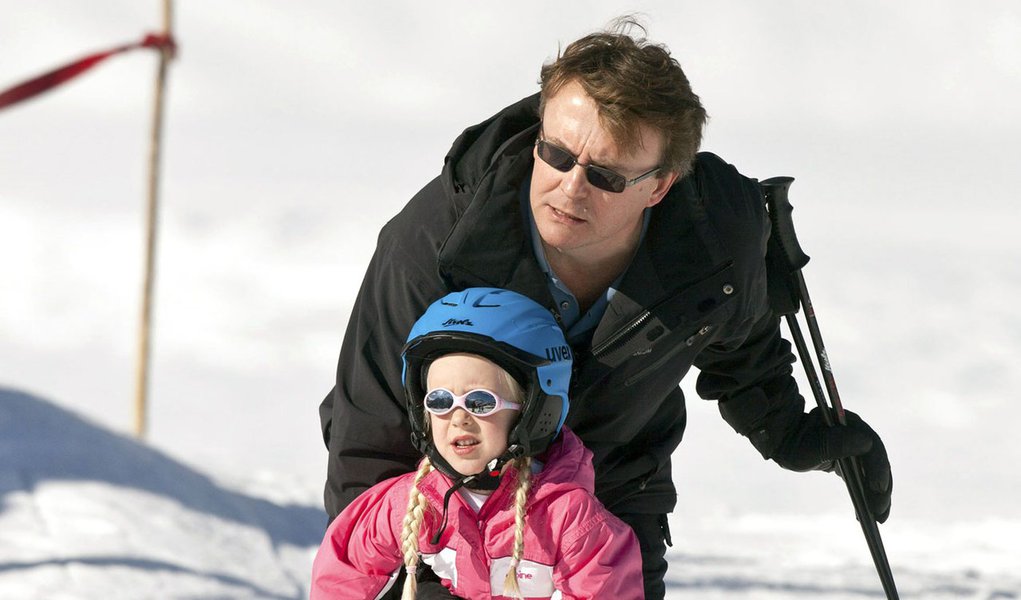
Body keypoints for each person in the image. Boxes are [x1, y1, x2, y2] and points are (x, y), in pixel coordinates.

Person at [319, 18, 892, 599]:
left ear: (660, 186)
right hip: (451, 505)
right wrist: (390, 575)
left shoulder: (715, 240)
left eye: (605, 176)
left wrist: (790, 432)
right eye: (557, 154)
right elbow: (371, 427)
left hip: (611, 498)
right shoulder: (438, 242)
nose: (570, 188)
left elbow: (739, 341)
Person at [311, 288, 643, 599]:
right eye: (440, 400)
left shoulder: (567, 518)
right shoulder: (417, 500)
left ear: (534, 412)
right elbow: (344, 571)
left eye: (480, 402)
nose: (458, 418)